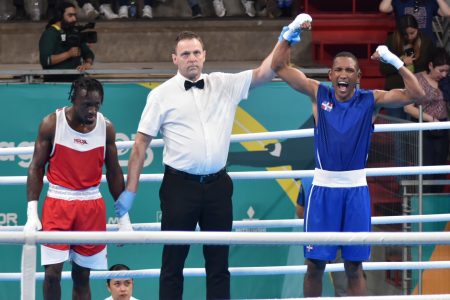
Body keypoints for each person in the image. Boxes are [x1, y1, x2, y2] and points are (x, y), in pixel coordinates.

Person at [112, 17, 310, 298]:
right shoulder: (160, 96)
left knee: (218, 264)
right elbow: (140, 145)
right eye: (185, 54)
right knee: (173, 263)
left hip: (218, 186)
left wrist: (286, 38)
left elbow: (266, 71)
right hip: (178, 187)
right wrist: (130, 191)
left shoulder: (224, 84)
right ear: (174, 59)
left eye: (195, 52)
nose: (191, 58)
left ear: (204, 55)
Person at [271, 14, 425, 297]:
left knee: (354, 266)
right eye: (338, 70)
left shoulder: (371, 99)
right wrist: (291, 32)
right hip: (323, 191)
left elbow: (417, 95)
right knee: (315, 265)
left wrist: (394, 61)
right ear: (331, 75)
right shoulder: (319, 94)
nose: (343, 75)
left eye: (349, 70)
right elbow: (278, 66)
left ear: (358, 76)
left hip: (355, 190)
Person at [24, 77, 126, 300]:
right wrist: (32, 212)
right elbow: (36, 167)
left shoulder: (106, 128)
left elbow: (115, 172)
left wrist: (124, 218)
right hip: (58, 202)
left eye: (96, 105)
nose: (92, 110)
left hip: (91, 204)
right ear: (73, 99)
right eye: (86, 104)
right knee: (52, 273)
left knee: (82, 276)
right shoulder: (52, 123)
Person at [403, 47, 450, 193]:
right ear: (430, 65)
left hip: (443, 129)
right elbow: (408, 108)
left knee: (441, 169)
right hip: (423, 130)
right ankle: (424, 207)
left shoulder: (446, 81)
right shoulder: (416, 79)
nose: (444, 74)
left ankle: (436, 208)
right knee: (426, 169)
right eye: (440, 70)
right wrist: (431, 119)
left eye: (447, 71)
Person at [380, 14, 434, 119]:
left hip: (418, 92)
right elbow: (383, 69)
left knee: (416, 132)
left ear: (417, 29)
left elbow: (430, 67)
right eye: (405, 34)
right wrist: (401, 62)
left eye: (412, 33)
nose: (409, 37)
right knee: (399, 131)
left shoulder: (426, 43)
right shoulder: (391, 41)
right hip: (396, 93)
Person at [39, 1, 95, 82]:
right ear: (60, 16)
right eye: (70, 15)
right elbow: (45, 60)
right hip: (55, 83)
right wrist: (68, 54)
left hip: (76, 82)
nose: (74, 19)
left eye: (75, 15)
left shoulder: (74, 32)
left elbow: (88, 53)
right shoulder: (50, 33)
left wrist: (88, 63)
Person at [379, 0, 450, 44]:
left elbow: (447, 12)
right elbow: (383, 8)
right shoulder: (399, 1)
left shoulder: (430, 2)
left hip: (426, 45)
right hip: (405, 44)